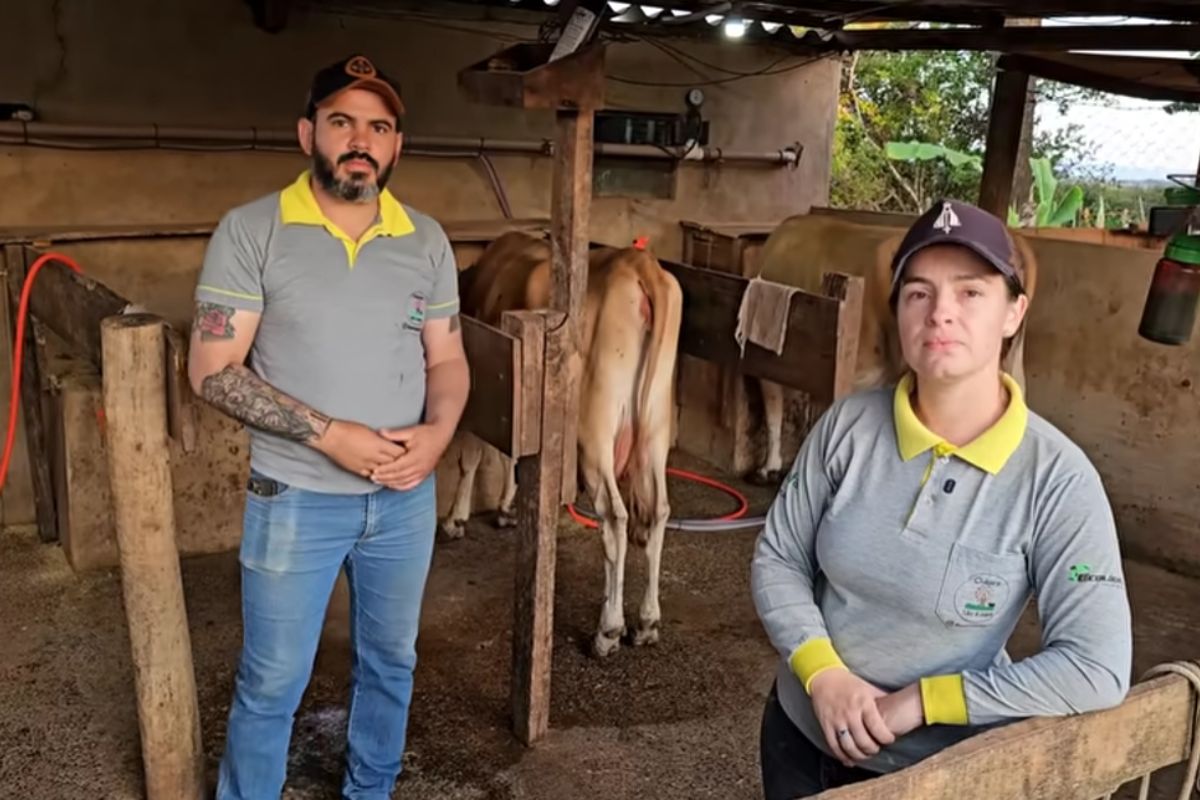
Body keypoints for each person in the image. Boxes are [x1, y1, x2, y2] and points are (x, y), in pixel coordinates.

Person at [750, 198, 1133, 798]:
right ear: (899, 313)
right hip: (801, 740)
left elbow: (1097, 667)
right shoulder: (846, 429)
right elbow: (780, 558)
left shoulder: (1057, 480)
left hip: (946, 775)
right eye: (918, 293)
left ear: (1014, 313)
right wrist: (822, 674)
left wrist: (926, 701)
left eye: (971, 292)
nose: (940, 314)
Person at [187, 54, 469, 800]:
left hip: (405, 499)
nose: (361, 139)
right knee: (273, 678)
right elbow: (212, 368)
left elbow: (448, 360)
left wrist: (437, 436)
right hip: (297, 494)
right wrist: (330, 435)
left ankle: (370, 791)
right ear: (308, 131)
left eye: (379, 126)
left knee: (391, 661)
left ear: (397, 145)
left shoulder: (426, 240)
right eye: (342, 121)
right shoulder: (253, 231)